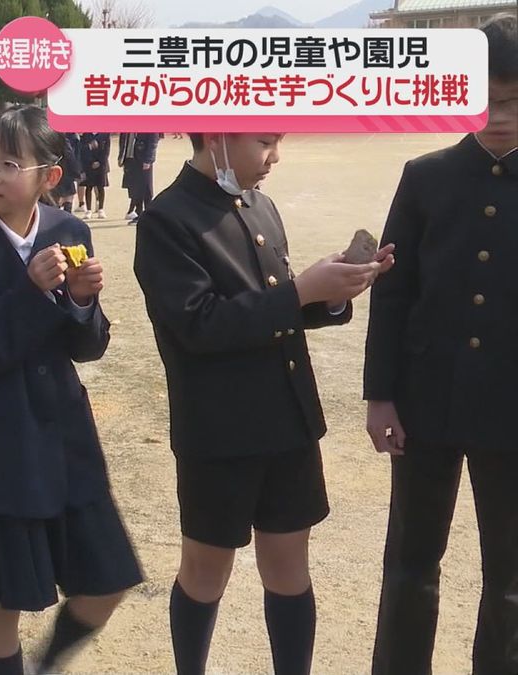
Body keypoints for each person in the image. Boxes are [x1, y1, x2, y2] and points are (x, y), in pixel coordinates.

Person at [134, 132, 395, 675]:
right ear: (219, 136)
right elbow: (198, 325)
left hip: (287, 420)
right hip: (220, 433)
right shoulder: (167, 219)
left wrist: (329, 295)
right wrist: (298, 293)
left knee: (289, 569)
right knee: (205, 572)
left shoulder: (261, 205)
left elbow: (275, 306)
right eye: (263, 141)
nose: (275, 156)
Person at [0, 106, 143, 675]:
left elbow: (88, 347)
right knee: (2, 605)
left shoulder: (69, 232)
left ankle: (46, 668)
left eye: (9, 163)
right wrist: (28, 291)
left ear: (49, 176)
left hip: (67, 438)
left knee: (108, 581)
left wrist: (79, 301)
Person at [364, 14, 518, 675]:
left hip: (511, 410)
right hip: (425, 405)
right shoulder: (424, 177)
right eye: (486, 98)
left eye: (514, 99)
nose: (500, 115)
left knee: (511, 576)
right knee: (410, 563)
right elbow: (393, 297)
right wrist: (379, 396)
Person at [119, 132, 159, 223]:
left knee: (146, 188)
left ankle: (149, 214)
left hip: (143, 159)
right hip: (130, 159)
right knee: (134, 188)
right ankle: (139, 213)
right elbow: (123, 139)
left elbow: (153, 141)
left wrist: (148, 159)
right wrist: (121, 156)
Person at [79, 132, 110, 220]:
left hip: (101, 165)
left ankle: (101, 208)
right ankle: (88, 210)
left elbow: (106, 151)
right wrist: (91, 161)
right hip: (89, 165)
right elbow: (82, 150)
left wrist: (99, 162)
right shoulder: (86, 134)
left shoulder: (105, 134)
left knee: (101, 187)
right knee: (89, 187)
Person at [53, 132, 83, 212]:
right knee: (65, 199)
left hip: (59, 173)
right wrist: (77, 172)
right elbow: (72, 157)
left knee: (63, 199)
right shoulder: (69, 138)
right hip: (65, 173)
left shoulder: (73, 137)